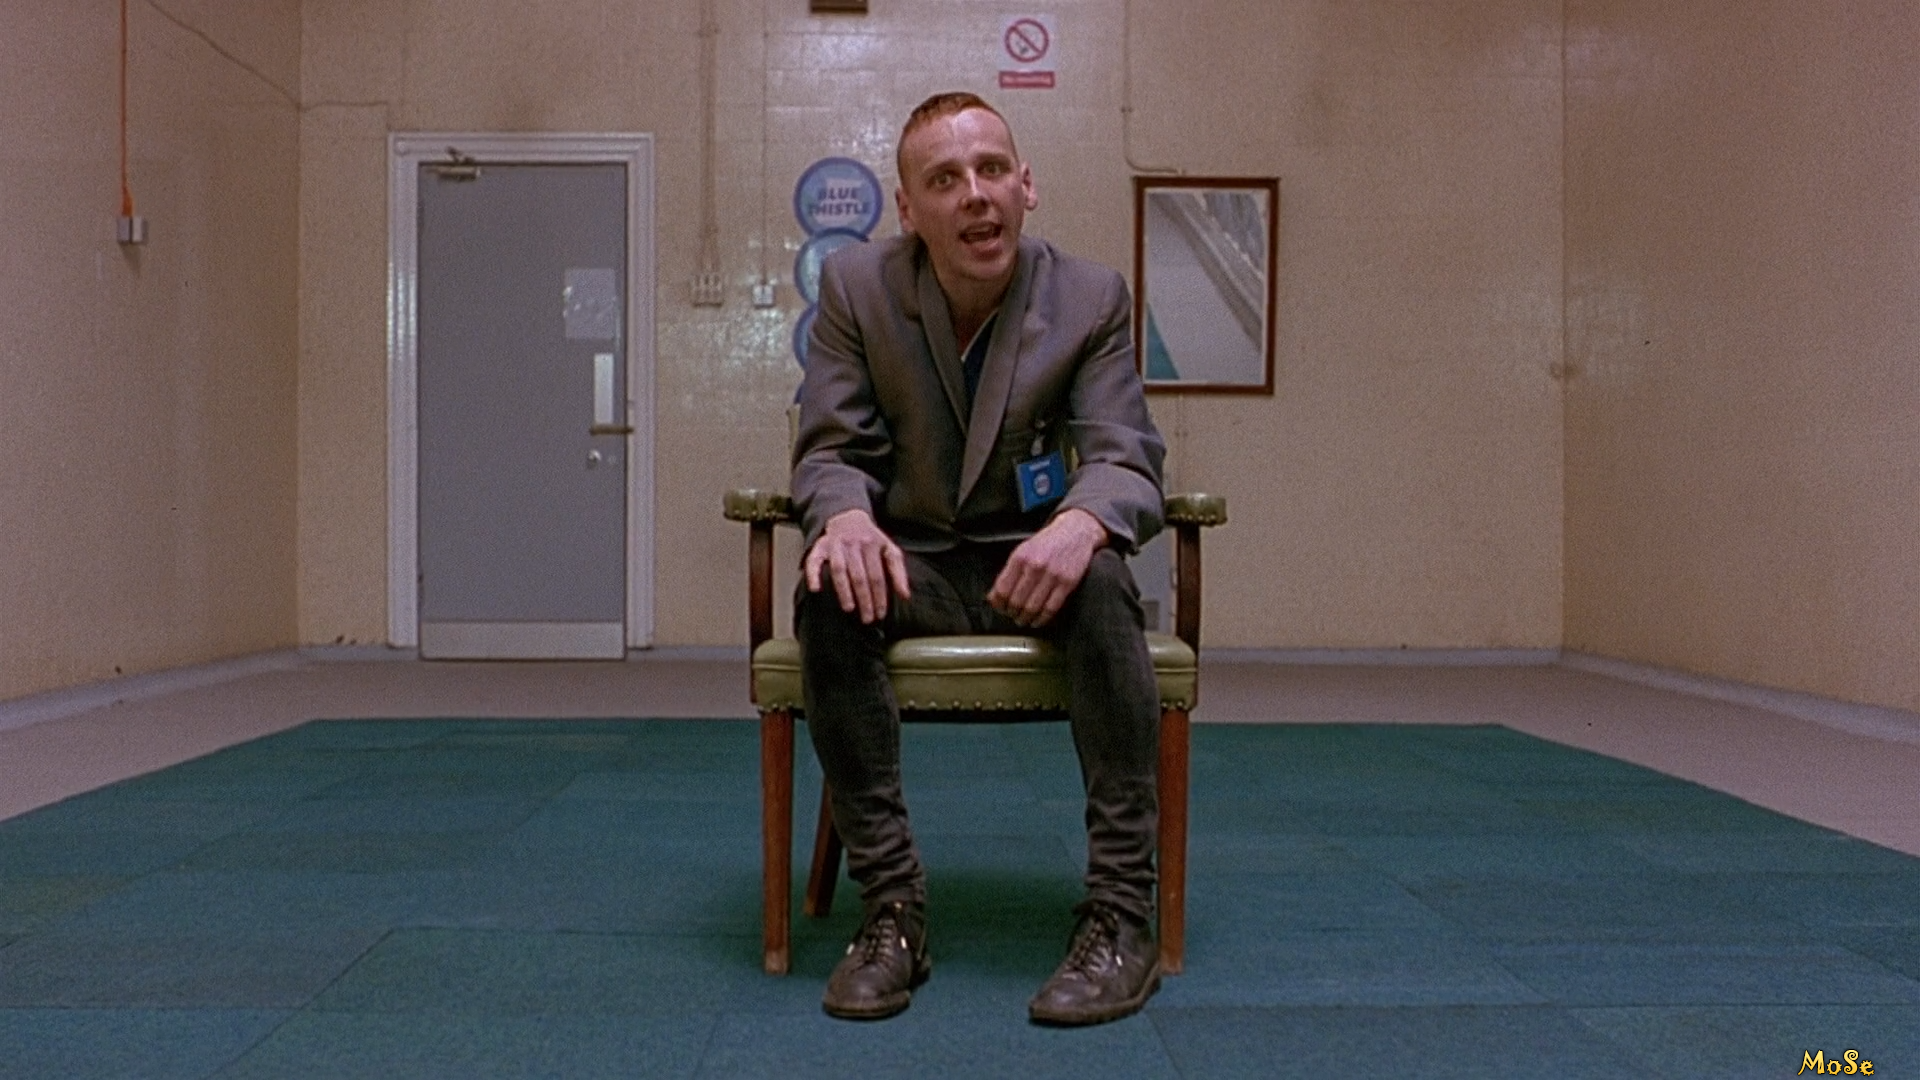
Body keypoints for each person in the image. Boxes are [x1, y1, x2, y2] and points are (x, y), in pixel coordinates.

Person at [791, 91, 1168, 1027]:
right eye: (945, 179)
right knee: (829, 588)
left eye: (992, 169)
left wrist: (1082, 524)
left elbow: (1124, 454)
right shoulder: (856, 288)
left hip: (1033, 571)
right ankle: (893, 911)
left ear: (1026, 185)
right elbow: (830, 448)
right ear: (907, 210)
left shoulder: (1090, 296)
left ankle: (1122, 914)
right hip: (912, 568)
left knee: (1107, 579)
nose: (974, 194)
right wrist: (843, 517)